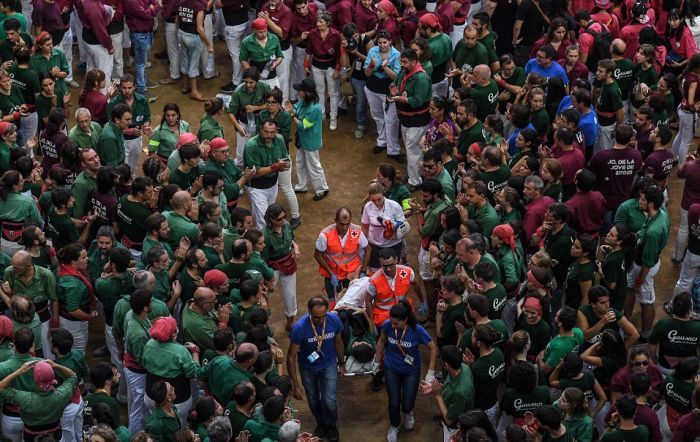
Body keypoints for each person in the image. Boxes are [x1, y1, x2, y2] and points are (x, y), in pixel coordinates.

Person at [373, 301, 438, 442]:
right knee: (394, 402)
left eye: (396, 323)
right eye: (391, 322)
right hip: (392, 368)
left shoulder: (417, 330)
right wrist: (377, 361)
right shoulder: (387, 325)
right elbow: (382, 341)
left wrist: (431, 371)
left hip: (411, 370)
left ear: (405, 319)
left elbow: (433, 348)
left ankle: (409, 412)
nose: (392, 325)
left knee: (407, 403)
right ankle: (394, 426)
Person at [287, 297, 344, 442]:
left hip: (328, 364)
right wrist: (295, 384)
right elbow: (291, 357)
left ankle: (331, 425)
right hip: (308, 368)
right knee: (313, 400)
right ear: (309, 313)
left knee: (329, 400)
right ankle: (321, 423)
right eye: (317, 317)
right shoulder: (299, 328)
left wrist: (341, 362)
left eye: (323, 316)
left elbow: (338, 341)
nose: (321, 320)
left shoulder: (334, 321)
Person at [625, 185, 669, 342]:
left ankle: (645, 335)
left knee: (646, 301)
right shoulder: (661, 212)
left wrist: (640, 280)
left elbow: (648, 262)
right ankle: (625, 321)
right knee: (629, 290)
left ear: (651, 204)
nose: (639, 201)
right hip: (639, 261)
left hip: (643, 268)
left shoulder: (653, 233)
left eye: (643, 199)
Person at [0, 359, 78, 441]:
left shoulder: (25, 399)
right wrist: (56, 365)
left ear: (35, 379)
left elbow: (1, 387)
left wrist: (20, 371)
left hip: (30, 438)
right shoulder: (61, 395)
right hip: (56, 437)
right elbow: (73, 376)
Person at [389, 49, 431, 187]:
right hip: (406, 120)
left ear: (414, 61)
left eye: (405, 62)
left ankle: (415, 181)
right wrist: (396, 91)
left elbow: (418, 100)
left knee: (414, 152)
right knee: (410, 150)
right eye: (401, 61)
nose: (402, 64)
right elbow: (397, 83)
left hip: (417, 122)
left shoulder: (421, 78)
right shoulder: (404, 71)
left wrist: (401, 99)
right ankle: (415, 174)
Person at [420, 345, 474, 442]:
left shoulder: (460, 393)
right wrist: (436, 386)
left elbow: (449, 420)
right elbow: (450, 384)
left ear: (446, 365)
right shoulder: (464, 367)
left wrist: (437, 394)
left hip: (455, 429)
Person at [315, 207, 369, 303]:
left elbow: (368, 249)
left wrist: (363, 270)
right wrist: (331, 274)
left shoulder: (357, 231)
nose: (344, 228)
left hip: (351, 274)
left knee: (353, 301)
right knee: (333, 302)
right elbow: (318, 255)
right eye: (341, 224)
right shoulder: (325, 235)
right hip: (332, 274)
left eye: (347, 224)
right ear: (335, 221)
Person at [287, 78, 329, 200]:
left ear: (307, 92)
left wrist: (292, 115)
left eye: (300, 90)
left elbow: (303, 125)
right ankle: (302, 185)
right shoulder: (303, 100)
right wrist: (291, 108)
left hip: (311, 142)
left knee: (314, 166)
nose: (298, 92)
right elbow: (296, 107)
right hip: (302, 140)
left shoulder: (314, 108)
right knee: (300, 162)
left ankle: (322, 189)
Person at [243, 119, 291, 229]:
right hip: (256, 187)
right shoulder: (251, 145)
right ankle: (262, 243)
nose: (269, 135)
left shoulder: (279, 140)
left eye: (272, 132)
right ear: (260, 130)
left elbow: (286, 158)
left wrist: (284, 165)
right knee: (263, 220)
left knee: (270, 215)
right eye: (266, 132)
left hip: (273, 184)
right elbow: (256, 171)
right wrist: (276, 167)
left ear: (276, 131)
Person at [363, 30, 400, 158]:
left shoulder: (396, 55)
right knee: (378, 117)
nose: (382, 45)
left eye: (385, 42)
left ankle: (393, 149)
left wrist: (385, 67)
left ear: (390, 41)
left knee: (391, 120)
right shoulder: (373, 51)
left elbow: (396, 77)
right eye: (380, 42)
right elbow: (367, 73)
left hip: (388, 90)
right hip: (372, 88)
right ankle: (381, 142)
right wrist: (372, 66)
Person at [262, 204, 299, 331]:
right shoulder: (265, 235)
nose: (283, 220)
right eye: (279, 219)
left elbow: (292, 239)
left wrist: (295, 247)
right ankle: (263, 323)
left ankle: (290, 322)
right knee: (266, 296)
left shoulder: (287, 225)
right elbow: (264, 259)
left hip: (288, 263)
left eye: (284, 217)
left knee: (290, 295)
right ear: (270, 219)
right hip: (272, 268)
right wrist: (267, 279)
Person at [106, 74, 153, 173]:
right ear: (119, 87)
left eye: (129, 88)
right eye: (124, 88)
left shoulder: (142, 100)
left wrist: (146, 125)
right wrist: (128, 131)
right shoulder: (114, 103)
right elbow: (109, 127)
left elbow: (147, 117)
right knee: (122, 169)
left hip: (137, 140)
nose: (127, 91)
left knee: (133, 167)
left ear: (134, 87)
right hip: (121, 141)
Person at [304, 11, 341, 130]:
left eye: (321, 22)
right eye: (317, 21)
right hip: (316, 65)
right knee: (319, 90)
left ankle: (333, 118)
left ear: (328, 23)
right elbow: (309, 50)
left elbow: (339, 54)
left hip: (330, 66)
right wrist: (306, 64)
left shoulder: (336, 35)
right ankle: (322, 114)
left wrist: (337, 69)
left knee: (333, 93)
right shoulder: (313, 33)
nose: (318, 24)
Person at [648, 292, 700, 376]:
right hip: (689, 370)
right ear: (690, 310)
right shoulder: (698, 328)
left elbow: (652, 348)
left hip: (665, 368)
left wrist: (654, 359)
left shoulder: (662, 324)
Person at [123, 0, 160, 100]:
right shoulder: (131, 1)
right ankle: (141, 89)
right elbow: (145, 14)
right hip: (139, 34)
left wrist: (152, 8)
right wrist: (152, 8)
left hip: (148, 31)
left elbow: (157, 4)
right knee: (140, 63)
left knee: (143, 61)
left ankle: (144, 80)